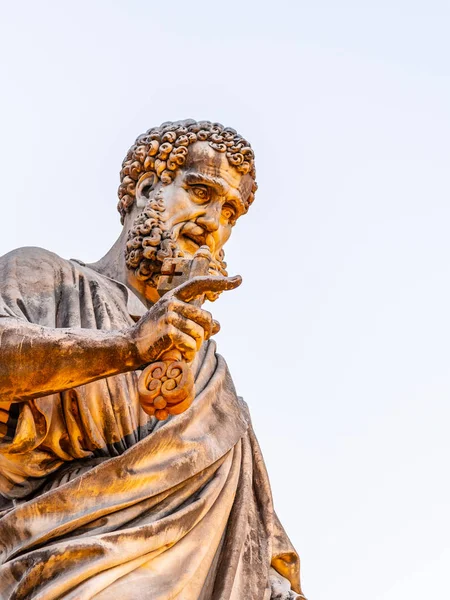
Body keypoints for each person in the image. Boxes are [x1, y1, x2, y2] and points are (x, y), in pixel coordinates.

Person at [0, 120, 305, 599]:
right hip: (62, 571)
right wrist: (129, 349)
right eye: (201, 192)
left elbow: (253, 533)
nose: (213, 225)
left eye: (230, 213)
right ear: (147, 188)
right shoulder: (47, 277)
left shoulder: (211, 380)